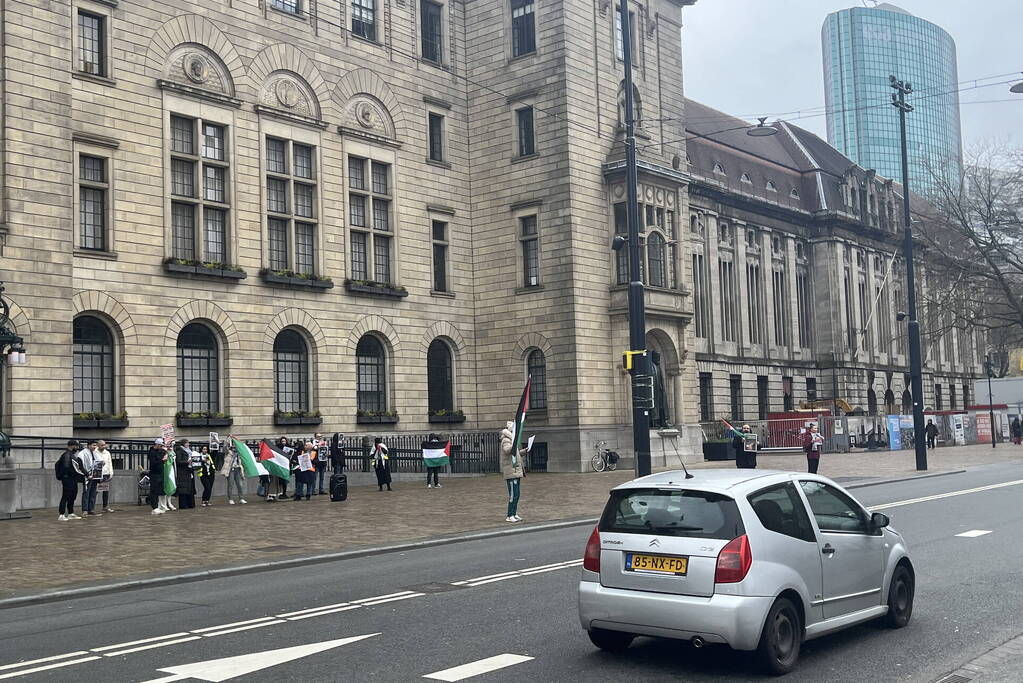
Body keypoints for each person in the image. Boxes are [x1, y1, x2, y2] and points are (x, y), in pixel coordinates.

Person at [499, 422, 527, 522]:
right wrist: (514, 444)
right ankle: (509, 515)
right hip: (511, 472)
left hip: (516, 471)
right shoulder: (506, 440)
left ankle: (514, 513)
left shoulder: (512, 440)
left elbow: (516, 453)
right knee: (513, 494)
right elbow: (507, 450)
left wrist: (524, 451)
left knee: (517, 494)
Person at [55, 440, 82, 521]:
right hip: (68, 478)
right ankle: (62, 514)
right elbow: (66, 467)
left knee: (72, 496)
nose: (77, 448)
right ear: (72, 446)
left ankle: (71, 513)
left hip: (72, 478)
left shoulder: (71, 454)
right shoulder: (67, 454)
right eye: (76, 446)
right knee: (66, 496)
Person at [77, 441, 103, 517]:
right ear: (88, 445)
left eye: (95, 445)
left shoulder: (95, 453)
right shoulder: (82, 453)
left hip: (95, 476)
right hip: (87, 476)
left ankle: (91, 509)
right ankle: (85, 510)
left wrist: (102, 463)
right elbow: (81, 466)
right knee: (86, 493)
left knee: (93, 493)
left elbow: (99, 462)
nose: (95, 447)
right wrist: (87, 475)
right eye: (93, 445)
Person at [174, 439, 196, 509]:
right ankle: (183, 504)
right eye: (186, 443)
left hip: (189, 470)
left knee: (189, 488)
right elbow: (179, 461)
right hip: (182, 472)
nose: (188, 444)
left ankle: (190, 503)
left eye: (188, 443)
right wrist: (187, 462)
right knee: (183, 488)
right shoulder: (179, 451)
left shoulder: (189, 451)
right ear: (183, 444)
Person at [95, 440, 116, 513]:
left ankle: (105, 507)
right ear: (98, 445)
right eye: (102, 445)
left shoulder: (107, 453)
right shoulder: (94, 452)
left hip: (105, 474)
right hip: (97, 474)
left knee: (105, 491)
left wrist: (111, 473)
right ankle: (91, 507)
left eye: (104, 445)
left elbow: (110, 463)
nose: (104, 446)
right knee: (95, 491)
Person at [147, 438, 167, 516]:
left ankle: (158, 506)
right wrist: (162, 460)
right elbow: (154, 463)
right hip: (154, 473)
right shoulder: (152, 452)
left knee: (159, 490)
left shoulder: (160, 451)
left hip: (160, 473)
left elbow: (164, 453)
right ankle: (154, 507)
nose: (161, 447)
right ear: (157, 445)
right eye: (161, 446)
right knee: (154, 491)